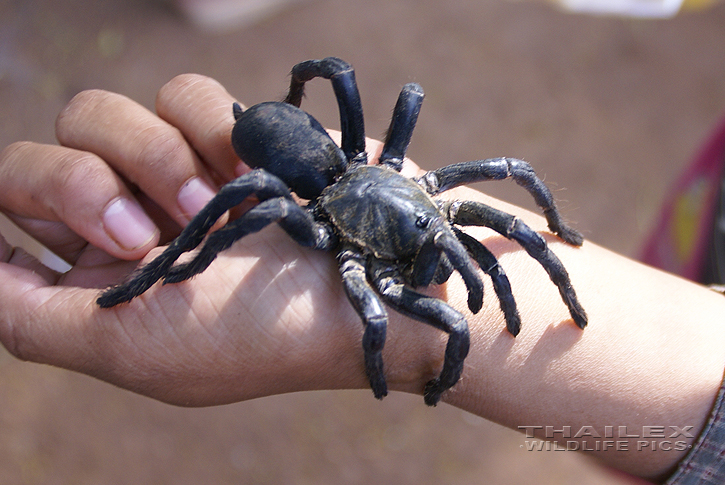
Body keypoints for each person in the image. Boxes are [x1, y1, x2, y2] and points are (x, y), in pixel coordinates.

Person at [0, 74, 723, 483]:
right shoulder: (334, 244)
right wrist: (182, 264)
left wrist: (552, 256)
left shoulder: (438, 203)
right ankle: (177, 258)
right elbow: (379, 323)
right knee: (376, 308)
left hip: (361, 176)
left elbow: (505, 212)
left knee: (510, 204)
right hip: (326, 190)